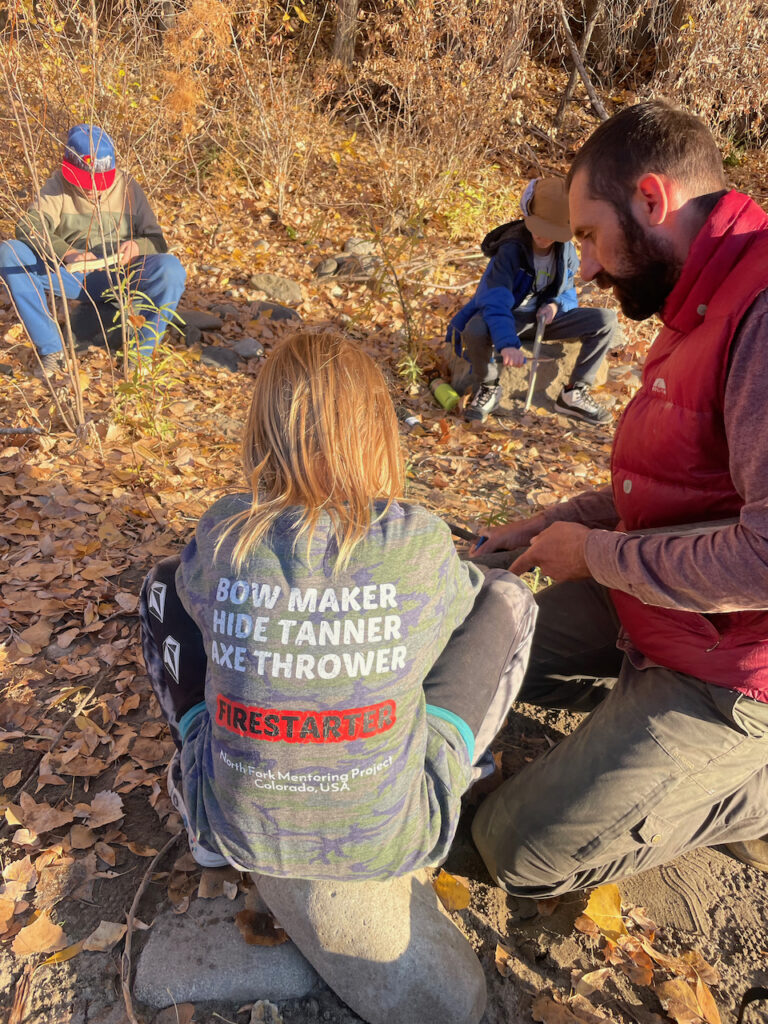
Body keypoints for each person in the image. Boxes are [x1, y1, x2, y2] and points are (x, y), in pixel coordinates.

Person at [469, 99, 768, 899]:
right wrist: (556, 522)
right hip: (661, 610)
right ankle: (631, 729)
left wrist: (595, 556)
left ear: (652, 200)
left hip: (737, 667)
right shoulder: (702, 292)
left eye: (593, 238)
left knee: (513, 849)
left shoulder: (761, 312)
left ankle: (743, 791)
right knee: (471, 659)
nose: (589, 268)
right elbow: (687, 488)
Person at [140, 329, 536, 876]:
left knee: (163, 582)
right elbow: (466, 607)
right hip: (396, 842)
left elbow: (191, 591)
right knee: (508, 594)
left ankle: (200, 783)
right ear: (378, 434)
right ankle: (456, 765)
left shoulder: (226, 531)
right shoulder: (418, 537)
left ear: (260, 432)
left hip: (227, 829)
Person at [0, 124, 186, 377]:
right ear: (69, 168)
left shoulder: (128, 186)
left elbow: (157, 241)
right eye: (85, 182)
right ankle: (52, 350)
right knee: (10, 252)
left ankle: (139, 355)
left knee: (171, 269)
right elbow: (28, 227)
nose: (93, 189)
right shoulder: (56, 187)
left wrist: (137, 247)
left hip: (122, 275)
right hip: (72, 275)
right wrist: (67, 252)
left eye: (100, 182)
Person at [446, 177, 618, 426]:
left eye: (553, 231)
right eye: (540, 227)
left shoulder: (564, 249)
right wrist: (506, 344)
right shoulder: (510, 250)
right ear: (528, 213)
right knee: (475, 329)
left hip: (542, 320)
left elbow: (568, 289)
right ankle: (489, 386)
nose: (545, 237)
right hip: (509, 319)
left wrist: (556, 304)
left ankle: (574, 392)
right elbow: (494, 301)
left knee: (606, 320)